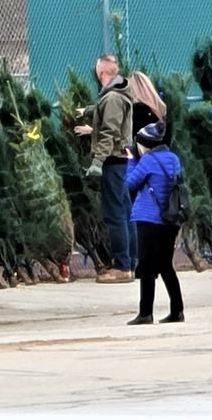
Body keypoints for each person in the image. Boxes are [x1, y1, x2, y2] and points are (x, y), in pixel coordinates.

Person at [74, 54, 136, 284]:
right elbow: (108, 113)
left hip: (113, 161)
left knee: (115, 215)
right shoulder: (119, 93)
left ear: (101, 73)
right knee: (126, 213)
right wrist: (88, 111)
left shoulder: (112, 98)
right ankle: (132, 262)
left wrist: (98, 162)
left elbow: (110, 131)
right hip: (122, 160)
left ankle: (122, 267)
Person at [123, 121, 184, 325]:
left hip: (149, 218)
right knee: (166, 265)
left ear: (144, 144)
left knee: (147, 267)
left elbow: (131, 182)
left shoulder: (147, 160)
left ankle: (145, 313)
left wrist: (132, 160)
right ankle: (177, 310)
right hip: (170, 219)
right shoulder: (174, 159)